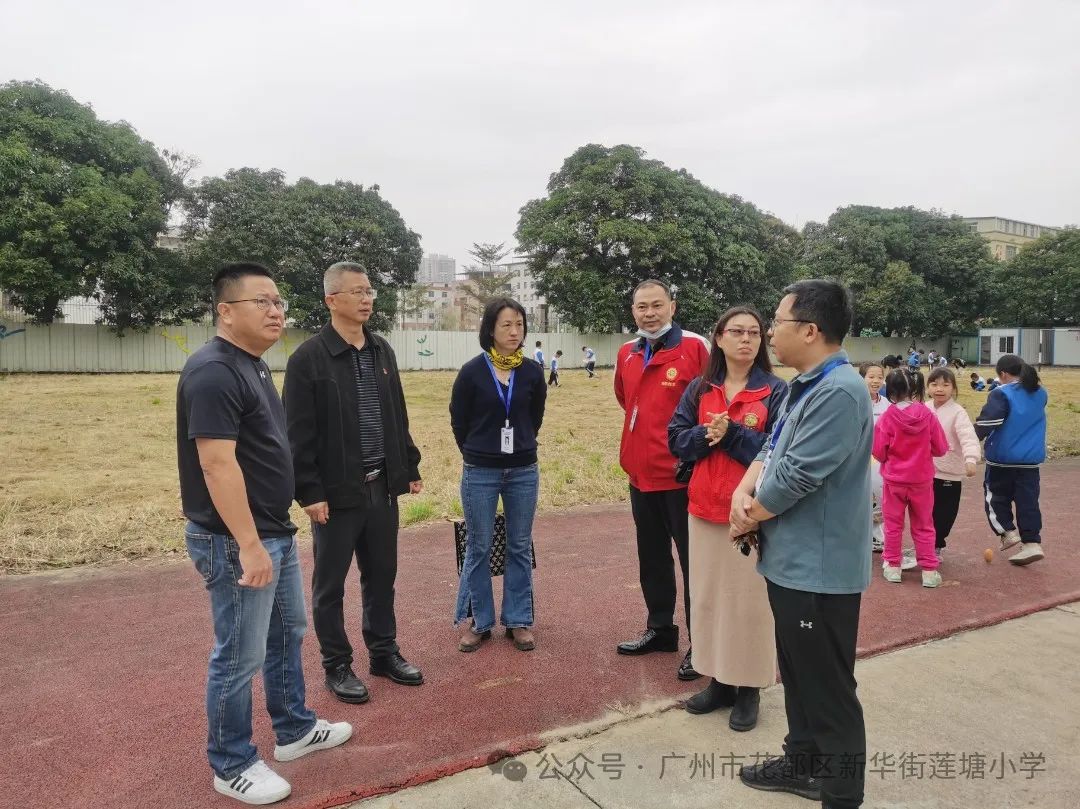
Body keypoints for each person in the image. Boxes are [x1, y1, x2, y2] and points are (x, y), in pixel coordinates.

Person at [178, 262, 351, 805]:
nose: (276, 311)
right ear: (226, 311)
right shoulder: (213, 372)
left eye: (279, 302)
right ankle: (231, 763)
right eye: (263, 302)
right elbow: (216, 465)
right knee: (239, 654)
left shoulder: (251, 365)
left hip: (272, 530)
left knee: (286, 633)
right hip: (236, 541)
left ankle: (294, 729)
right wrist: (250, 546)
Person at [731, 279, 870, 808]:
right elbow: (771, 449)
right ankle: (803, 762)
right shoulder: (805, 385)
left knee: (828, 686)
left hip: (819, 570)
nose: (770, 332)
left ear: (810, 330)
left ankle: (841, 794)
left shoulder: (840, 392)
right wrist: (742, 494)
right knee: (798, 672)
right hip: (791, 563)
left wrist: (747, 516)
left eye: (777, 322)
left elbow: (796, 477)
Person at [283, 262, 424, 706]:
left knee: (382, 577)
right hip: (336, 495)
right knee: (330, 586)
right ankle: (337, 664)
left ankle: (383, 652)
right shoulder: (308, 359)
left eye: (369, 291)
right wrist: (309, 491)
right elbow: (297, 434)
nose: (366, 299)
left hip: (381, 488)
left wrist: (409, 464)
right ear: (331, 300)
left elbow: (396, 413)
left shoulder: (381, 350)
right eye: (357, 292)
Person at [668, 306, 787, 732]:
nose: (746, 339)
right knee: (709, 599)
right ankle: (718, 681)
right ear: (718, 338)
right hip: (703, 509)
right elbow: (676, 439)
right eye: (736, 331)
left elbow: (778, 450)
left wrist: (731, 433)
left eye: (754, 332)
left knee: (749, 605)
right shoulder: (701, 388)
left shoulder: (775, 391)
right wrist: (706, 434)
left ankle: (749, 688)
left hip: (750, 513)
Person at [614, 279, 710, 681]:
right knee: (652, 557)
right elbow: (626, 400)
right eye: (642, 307)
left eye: (657, 305)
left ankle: (703, 644)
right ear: (633, 311)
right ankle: (661, 629)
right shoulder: (627, 352)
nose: (649, 313)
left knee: (695, 563)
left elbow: (712, 402)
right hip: (641, 475)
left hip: (682, 477)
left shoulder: (695, 347)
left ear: (673, 306)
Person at [451, 298, 547, 652]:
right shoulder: (472, 372)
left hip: (523, 469)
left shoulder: (533, 372)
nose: (514, 331)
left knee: (519, 545)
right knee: (479, 546)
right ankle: (480, 621)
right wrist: (477, 451)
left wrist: (519, 445)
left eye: (519, 324)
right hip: (480, 471)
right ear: (490, 329)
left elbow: (534, 417)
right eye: (506, 324)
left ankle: (518, 619)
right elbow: (459, 420)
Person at [872, 369, 948, 587]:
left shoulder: (887, 417)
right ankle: (929, 571)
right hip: (921, 481)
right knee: (924, 524)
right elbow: (940, 448)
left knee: (893, 525)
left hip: (894, 480)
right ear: (914, 389)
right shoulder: (927, 415)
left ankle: (893, 566)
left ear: (890, 391)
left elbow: (879, 452)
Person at [974, 353, 1048, 565]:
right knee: (1028, 502)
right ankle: (1032, 543)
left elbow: (989, 422)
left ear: (1003, 374)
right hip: (1030, 461)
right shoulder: (1040, 393)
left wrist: (968, 439)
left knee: (995, 498)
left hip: (1002, 459)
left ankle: (1007, 532)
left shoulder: (1001, 393)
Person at [928, 367, 980, 560]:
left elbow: (968, 437)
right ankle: (925, 544)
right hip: (924, 473)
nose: (939, 389)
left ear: (953, 388)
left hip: (948, 473)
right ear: (927, 388)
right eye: (934, 384)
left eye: (945, 385)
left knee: (944, 513)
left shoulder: (958, 412)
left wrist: (971, 458)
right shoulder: (923, 408)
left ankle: (936, 545)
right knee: (924, 512)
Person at [858, 362, 889, 556]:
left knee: (881, 497)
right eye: (871, 377)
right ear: (861, 378)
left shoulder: (887, 405)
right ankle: (858, 535)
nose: (876, 381)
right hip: (857, 459)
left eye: (880, 377)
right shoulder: (854, 402)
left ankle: (877, 536)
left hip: (879, 460)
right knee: (859, 498)